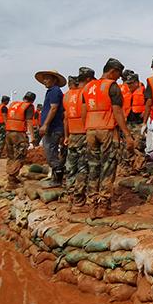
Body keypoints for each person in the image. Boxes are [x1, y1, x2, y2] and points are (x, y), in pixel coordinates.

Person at [82, 58, 134, 218]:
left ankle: (92, 206)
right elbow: (117, 112)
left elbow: (84, 110)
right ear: (113, 71)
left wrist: (87, 127)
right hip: (106, 130)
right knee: (108, 167)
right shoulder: (112, 86)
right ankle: (103, 206)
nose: (119, 79)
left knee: (93, 167)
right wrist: (126, 133)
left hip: (90, 130)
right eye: (118, 75)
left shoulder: (88, 87)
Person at [63, 70, 92, 212]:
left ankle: (70, 198)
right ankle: (79, 202)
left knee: (71, 167)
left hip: (72, 135)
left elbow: (65, 118)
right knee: (83, 167)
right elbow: (84, 113)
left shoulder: (66, 96)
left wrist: (66, 136)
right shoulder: (84, 94)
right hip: (82, 134)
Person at [35, 70, 66, 187]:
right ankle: (55, 177)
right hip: (52, 128)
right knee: (50, 153)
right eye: (44, 79)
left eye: (47, 78)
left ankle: (57, 180)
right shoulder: (51, 91)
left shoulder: (54, 91)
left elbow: (53, 109)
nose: (44, 81)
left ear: (54, 80)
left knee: (51, 154)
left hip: (53, 128)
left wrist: (45, 124)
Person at [4, 92, 36, 189]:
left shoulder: (13, 104)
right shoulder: (28, 106)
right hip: (18, 134)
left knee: (11, 156)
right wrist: (32, 137)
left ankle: (12, 177)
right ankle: (11, 180)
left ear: (24, 97)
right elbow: (29, 122)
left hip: (8, 133)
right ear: (33, 100)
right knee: (20, 156)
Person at [122, 72, 146, 174]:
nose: (129, 85)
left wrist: (145, 114)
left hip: (139, 124)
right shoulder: (126, 93)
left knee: (139, 146)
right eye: (128, 83)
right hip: (128, 123)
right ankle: (130, 167)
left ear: (136, 82)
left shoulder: (143, 91)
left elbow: (150, 104)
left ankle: (139, 168)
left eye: (131, 83)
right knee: (128, 146)